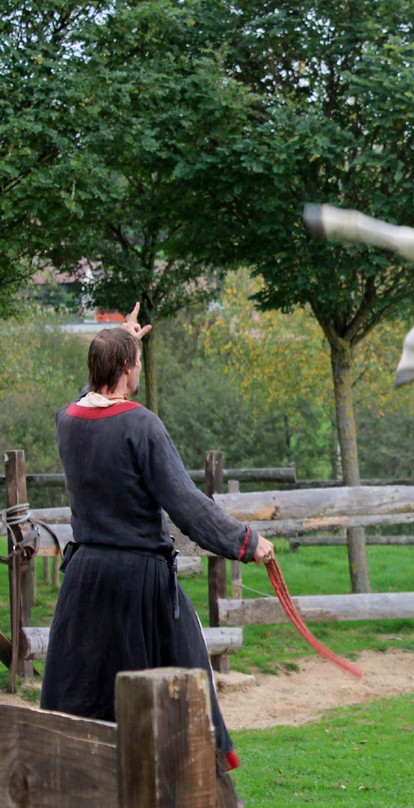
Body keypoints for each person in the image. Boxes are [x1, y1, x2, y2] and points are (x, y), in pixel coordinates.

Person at [41, 304, 274, 807]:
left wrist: (119, 341)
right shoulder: (142, 426)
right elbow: (187, 506)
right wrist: (246, 541)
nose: (141, 368)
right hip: (139, 586)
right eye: (137, 362)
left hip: (83, 584)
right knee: (185, 700)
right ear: (126, 370)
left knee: (84, 700)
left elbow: (82, 400)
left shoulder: (66, 421)